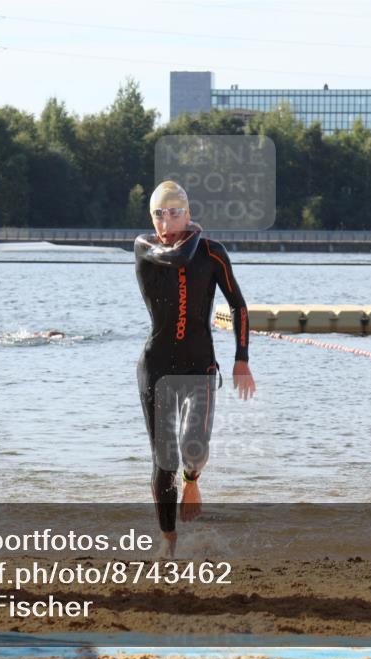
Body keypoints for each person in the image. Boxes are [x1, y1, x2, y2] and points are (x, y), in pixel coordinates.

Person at [135, 181, 256, 558]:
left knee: (195, 447)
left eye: (174, 212)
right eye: (158, 213)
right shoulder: (146, 249)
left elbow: (239, 305)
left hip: (199, 365)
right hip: (156, 368)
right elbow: (178, 257)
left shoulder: (212, 253)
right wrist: (194, 231)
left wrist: (242, 359)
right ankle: (168, 542)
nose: (165, 221)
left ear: (187, 213)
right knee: (163, 459)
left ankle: (193, 479)